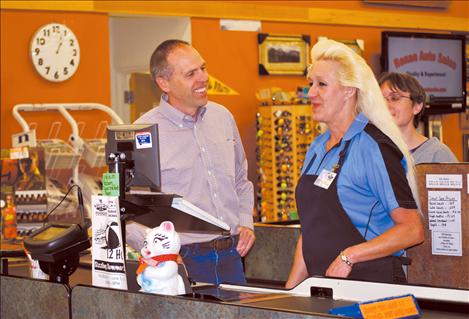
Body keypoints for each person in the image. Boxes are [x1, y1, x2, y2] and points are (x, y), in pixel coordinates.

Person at [285, 39, 424, 288]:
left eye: (322, 85)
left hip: (372, 288)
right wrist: (290, 291)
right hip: (324, 288)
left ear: (350, 90)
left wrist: (349, 257)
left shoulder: (374, 147)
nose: (311, 93)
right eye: (310, 84)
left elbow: (412, 229)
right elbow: (311, 231)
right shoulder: (317, 147)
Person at [126, 39, 255, 285]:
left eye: (203, 68)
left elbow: (241, 178)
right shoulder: (143, 134)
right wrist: (162, 255)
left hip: (231, 255)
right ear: (164, 83)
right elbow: (130, 211)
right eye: (190, 73)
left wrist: (245, 221)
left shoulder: (223, 118)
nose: (203, 78)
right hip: (179, 261)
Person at [379, 72, 458, 164]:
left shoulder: (438, 154)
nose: (386, 105)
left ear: (417, 107)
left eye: (395, 98)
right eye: (381, 99)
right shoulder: (372, 150)